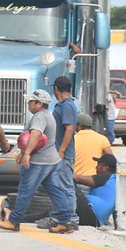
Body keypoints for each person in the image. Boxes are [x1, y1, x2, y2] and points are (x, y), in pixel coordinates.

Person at [0, 89, 74, 234]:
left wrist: (27, 154)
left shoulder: (39, 117)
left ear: (39, 103)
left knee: (26, 191)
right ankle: (66, 221)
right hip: (51, 161)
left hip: (39, 162)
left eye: (31, 101)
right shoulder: (47, 116)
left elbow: (35, 135)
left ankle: (14, 221)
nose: (28, 103)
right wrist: (23, 152)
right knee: (56, 191)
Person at [40, 75, 79, 230]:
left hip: (63, 154)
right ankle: (57, 216)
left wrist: (61, 150)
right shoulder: (62, 105)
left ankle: (71, 219)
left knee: (66, 186)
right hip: (56, 153)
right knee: (57, 186)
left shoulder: (68, 106)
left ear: (56, 89)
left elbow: (70, 129)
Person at [73, 153, 118, 227]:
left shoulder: (105, 177)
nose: (96, 168)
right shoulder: (115, 180)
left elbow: (76, 178)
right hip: (95, 220)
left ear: (105, 168)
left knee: (68, 186)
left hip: (90, 213)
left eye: (98, 165)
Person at [73, 112, 114, 179]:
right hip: (95, 180)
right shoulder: (102, 139)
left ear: (79, 126)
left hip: (77, 180)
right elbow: (111, 160)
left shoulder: (73, 140)